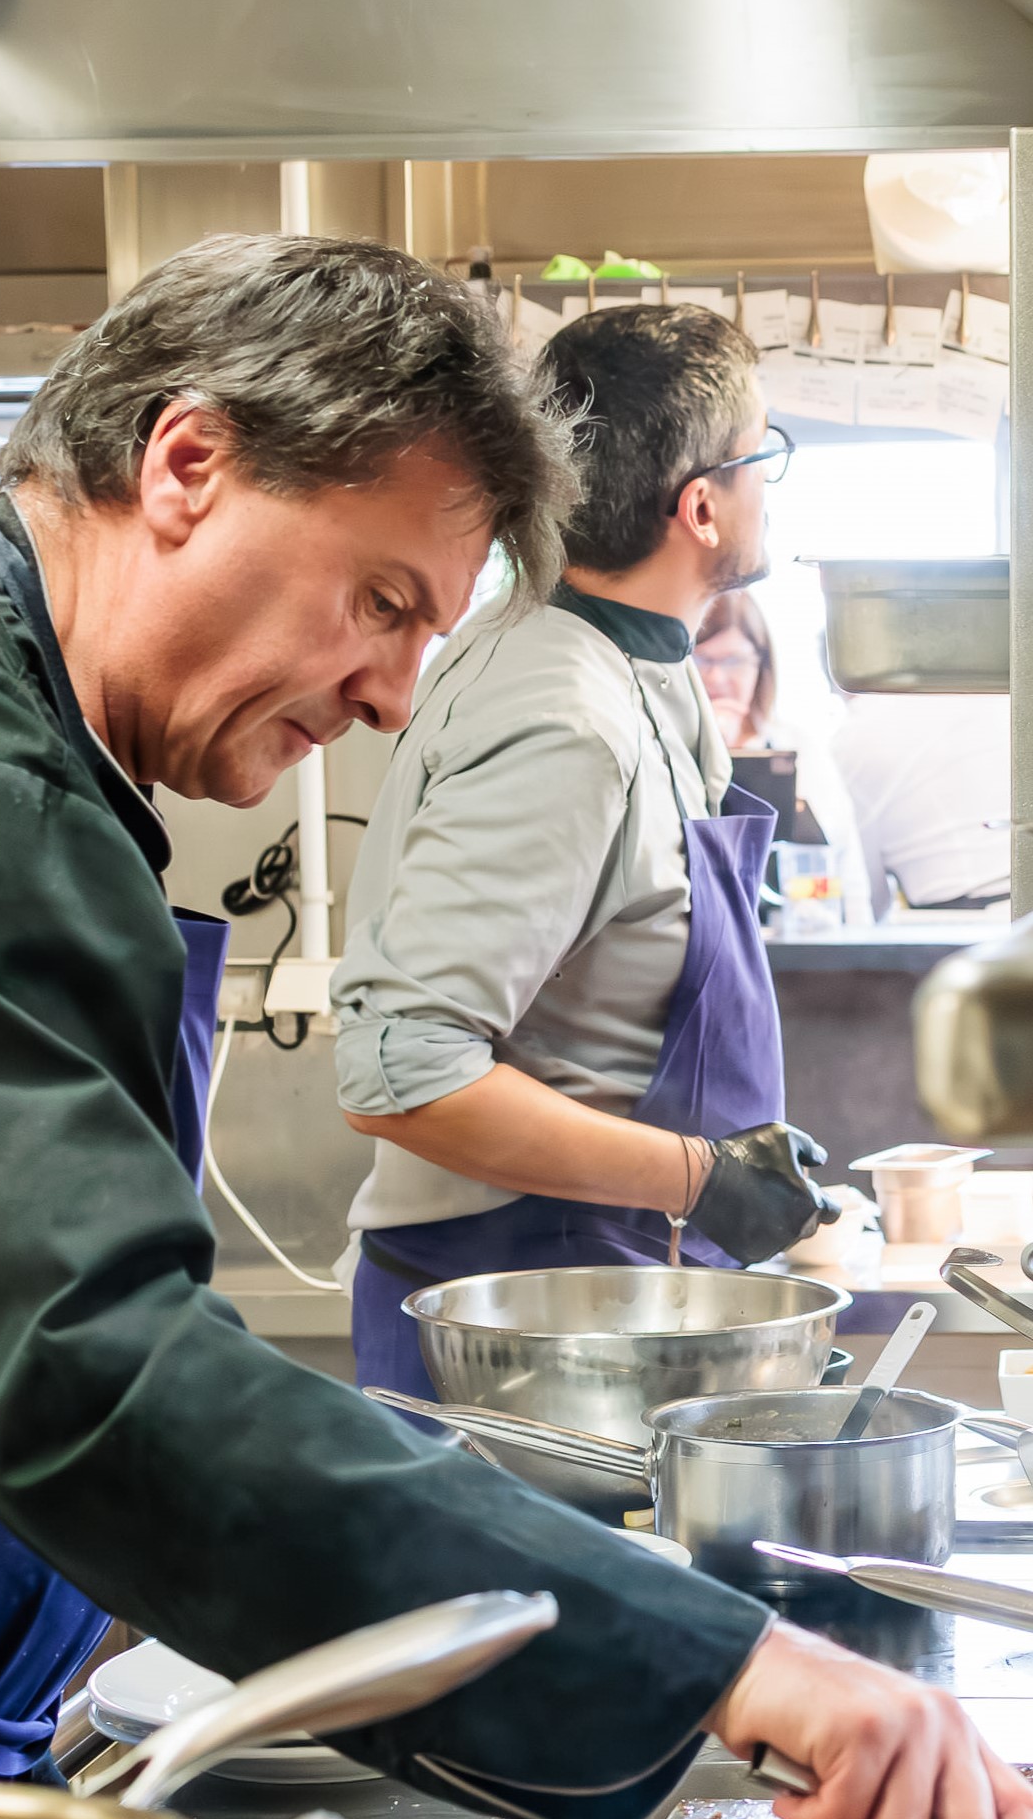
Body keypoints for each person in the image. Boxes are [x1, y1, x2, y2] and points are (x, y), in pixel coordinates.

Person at [0, 236, 1024, 1819]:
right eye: (383, 602)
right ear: (187, 464)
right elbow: (92, 1373)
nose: (393, 698)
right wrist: (726, 1661)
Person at [333, 305, 838, 1389]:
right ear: (700, 506)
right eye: (763, 458)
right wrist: (700, 1176)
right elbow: (401, 1069)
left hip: (598, 1285)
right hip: (515, 1316)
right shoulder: (561, 713)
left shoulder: (633, 665)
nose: (770, 486)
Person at [693, 592, 873, 928]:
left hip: (798, 935)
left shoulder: (797, 746)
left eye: (733, 661)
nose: (716, 679)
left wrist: (858, 940)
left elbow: (844, 862)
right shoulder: (669, 751)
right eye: (701, 660)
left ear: (761, 665)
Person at [832, 690, 1011, 920]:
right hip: (1011, 908)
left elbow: (866, 895)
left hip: (966, 921)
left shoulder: (854, 737)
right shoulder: (982, 690)